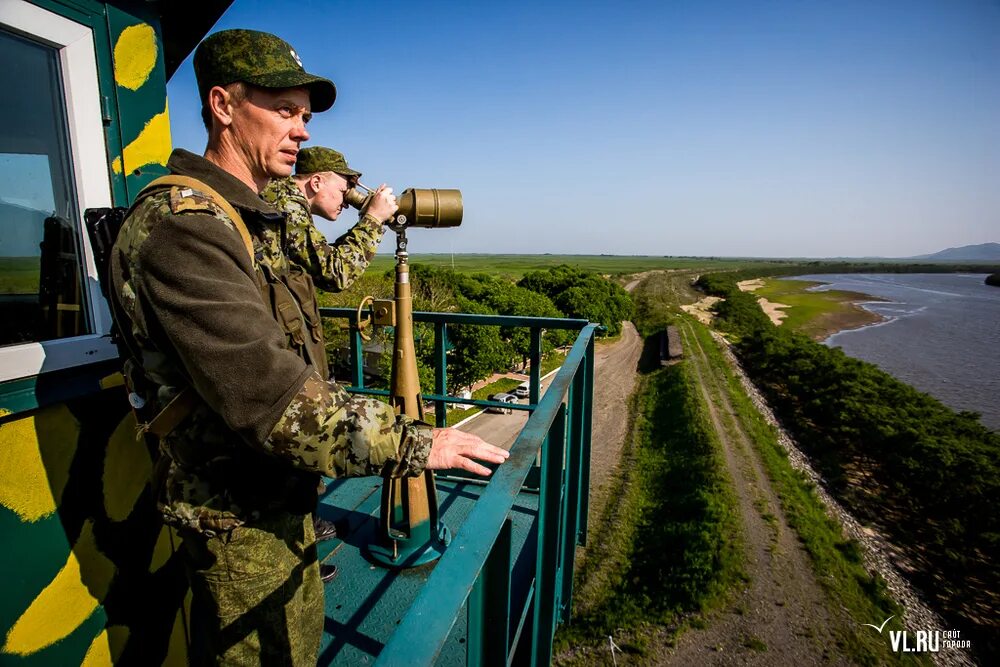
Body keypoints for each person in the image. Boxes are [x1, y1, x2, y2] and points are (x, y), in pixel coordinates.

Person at [108, 28, 508, 665]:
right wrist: (416, 443)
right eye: (284, 110)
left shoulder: (248, 215)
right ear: (222, 105)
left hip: (276, 489)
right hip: (235, 513)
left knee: (299, 643)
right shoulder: (184, 228)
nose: (301, 131)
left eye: (306, 116)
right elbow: (269, 394)